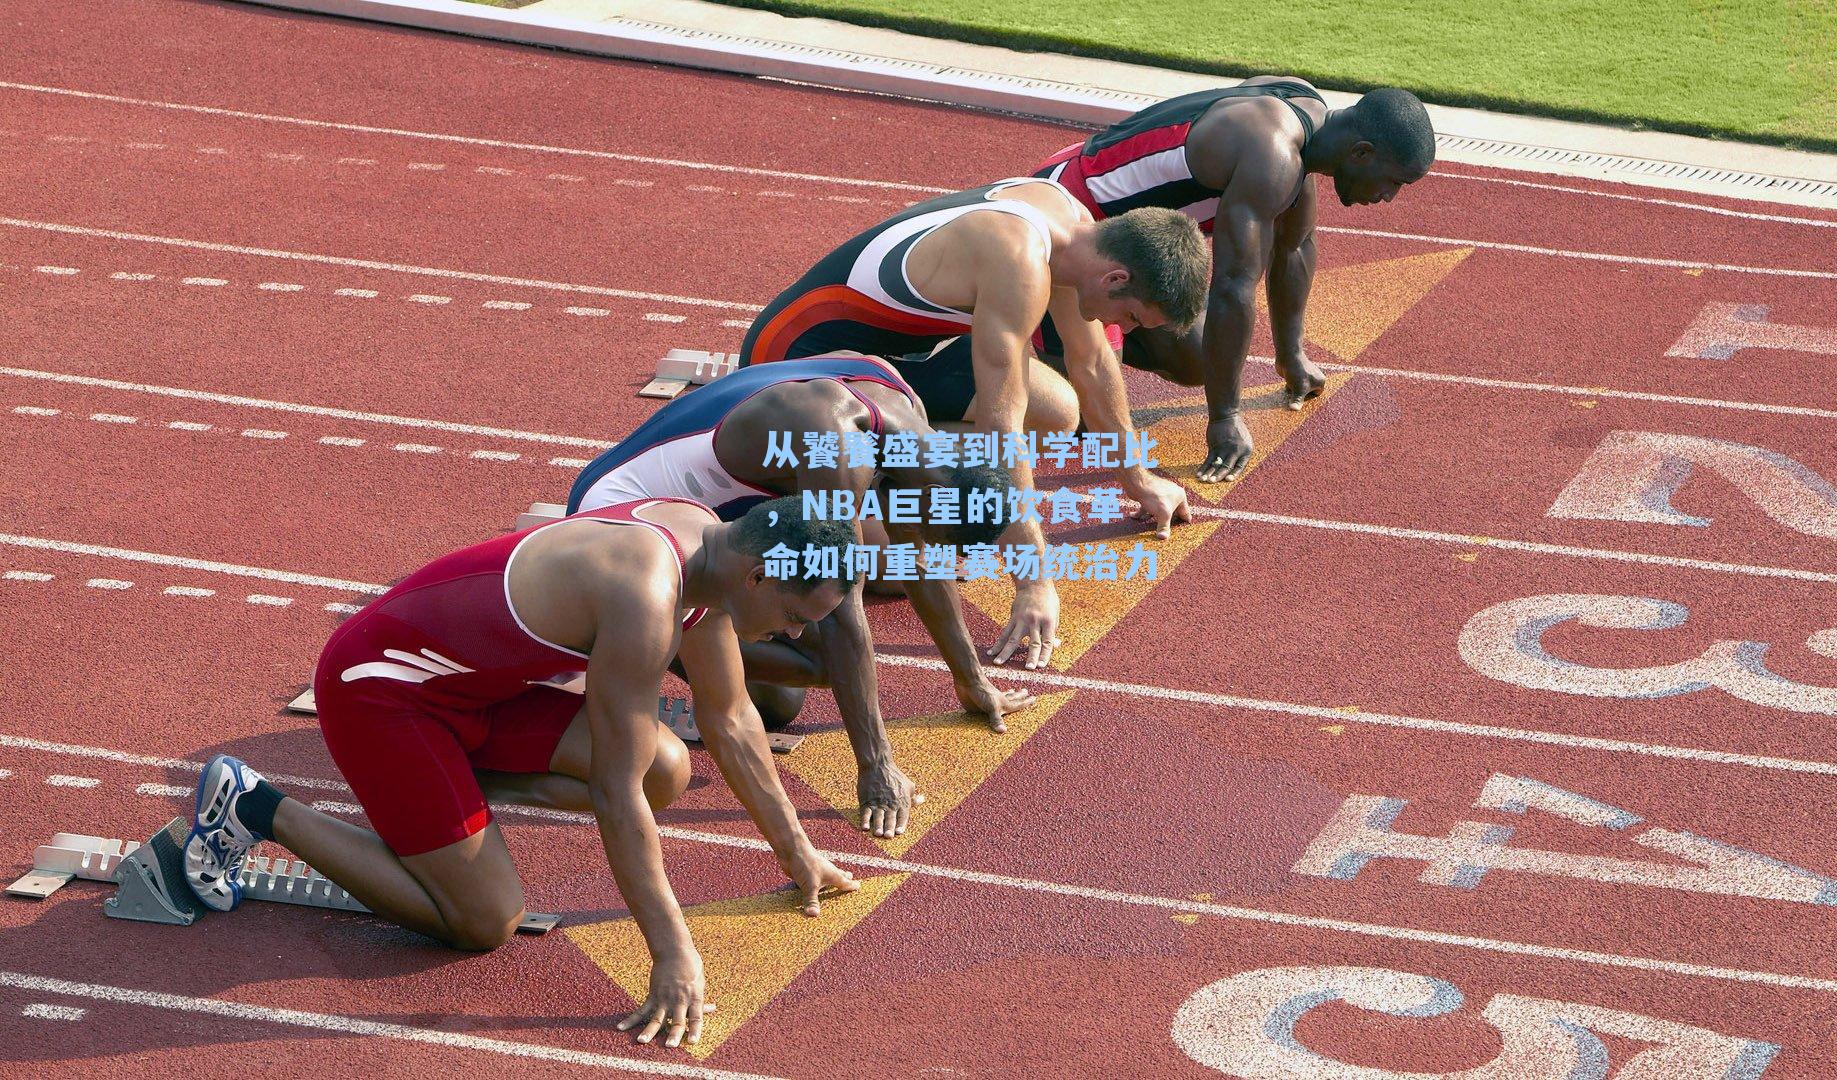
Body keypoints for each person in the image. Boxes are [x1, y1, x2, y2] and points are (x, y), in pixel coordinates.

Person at [183, 495, 857, 1050]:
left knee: (666, 767)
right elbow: (614, 792)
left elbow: (731, 716)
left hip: (476, 695)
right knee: (485, 920)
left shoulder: (706, 548)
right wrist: (673, 952)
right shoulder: (646, 595)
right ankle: (254, 805)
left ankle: (436, 803)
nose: (797, 636)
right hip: (382, 692)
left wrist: (797, 852)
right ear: (758, 577)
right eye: (797, 617)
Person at [739, 176, 1209, 666]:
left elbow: (1091, 361)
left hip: (887, 356)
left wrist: (1137, 478)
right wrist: (1033, 580)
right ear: (1115, 279)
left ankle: (892, 474)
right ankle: (876, 483)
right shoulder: (1018, 260)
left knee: (1056, 411)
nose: (1122, 329)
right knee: (893, 566)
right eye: (1132, 318)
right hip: (792, 364)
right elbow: (1001, 431)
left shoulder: (1076, 230)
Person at [567, 352, 1034, 838]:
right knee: (824, 660)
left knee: (788, 695)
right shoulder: (837, 451)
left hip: (698, 514)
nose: (916, 539)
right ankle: (648, 647)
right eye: (927, 531)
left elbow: (915, 559)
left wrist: (972, 680)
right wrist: (876, 766)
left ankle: (684, 645)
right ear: (934, 501)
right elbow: (841, 611)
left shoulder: (904, 410)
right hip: (620, 516)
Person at [1034, 82, 1435, 482]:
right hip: (1070, 218)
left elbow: (1295, 245)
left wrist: (1291, 355)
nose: (1389, 196)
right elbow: (1232, 286)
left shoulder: (1304, 115)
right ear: (1361, 152)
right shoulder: (1271, 155)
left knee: (1197, 355)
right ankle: (1026, 331)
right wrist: (1225, 417)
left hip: (1114, 233)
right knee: (1077, 417)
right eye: (1394, 181)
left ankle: (1083, 338)